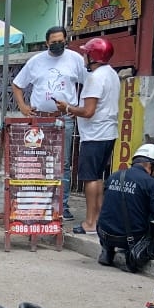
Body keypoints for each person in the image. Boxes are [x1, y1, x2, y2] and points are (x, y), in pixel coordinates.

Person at [11, 26, 87, 219]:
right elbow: (17, 85)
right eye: (53, 42)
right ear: (46, 43)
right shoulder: (36, 61)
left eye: (61, 40)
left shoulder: (75, 59)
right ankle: (40, 205)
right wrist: (23, 107)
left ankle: (62, 206)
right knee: (39, 161)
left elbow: (89, 83)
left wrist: (80, 108)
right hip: (39, 119)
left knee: (63, 163)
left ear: (66, 40)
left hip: (65, 119)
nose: (57, 44)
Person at [55, 37, 119, 235]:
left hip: (95, 135)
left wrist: (68, 107)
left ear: (93, 56)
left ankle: (90, 222)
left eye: (86, 53)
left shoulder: (95, 78)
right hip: (107, 133)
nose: (83, 56)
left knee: (90, 179)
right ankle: (97, 219)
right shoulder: (111, 74)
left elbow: (88, 111)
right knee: (97, 177)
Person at [97, 144, 154, 272]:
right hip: (129, 238)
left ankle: (107, 251)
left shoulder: (114, 175)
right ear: (152, 165)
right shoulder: (150, 183)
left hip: (103, 232)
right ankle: (130, 255)